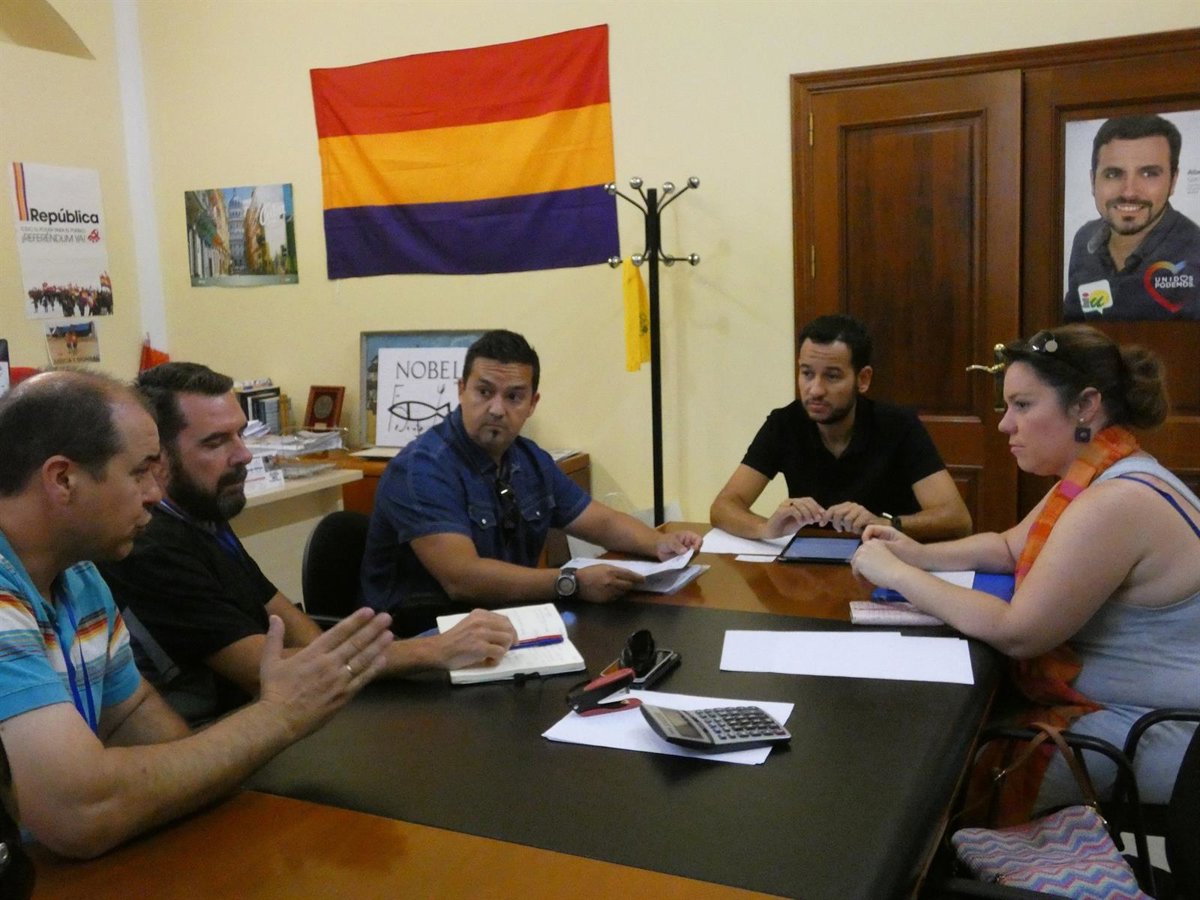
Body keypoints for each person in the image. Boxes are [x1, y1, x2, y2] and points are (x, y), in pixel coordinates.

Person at [0, 371, 394, 858]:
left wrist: (206, 770)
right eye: (139, 472)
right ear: (63, 479)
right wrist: (279, 716)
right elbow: (80, 812)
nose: (155, 493)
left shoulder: (79, 575)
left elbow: (132, 719)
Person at [850, 324, 1200, 817]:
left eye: (1022, 405)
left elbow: (1019, 633)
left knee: (934, 776)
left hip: (1157, 731)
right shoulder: (1103, 470)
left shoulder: (1116, 501)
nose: (1004, 424)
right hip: (1136, 713)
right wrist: (915, 553)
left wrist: (897, 575)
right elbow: (1009, 547)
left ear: (1085, 406)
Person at [99, 362, 517, 725]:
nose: (244, 455)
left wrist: (356, 655)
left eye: (240, 434)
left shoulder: (203, 513)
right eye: (215, 442)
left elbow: (287, 620)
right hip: (219, 729)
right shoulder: (150, 545)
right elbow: (261, 669)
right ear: (158, 457)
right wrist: (432, 651)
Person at [360, 329, 702, 635]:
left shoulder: (529, 460)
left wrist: (659, 543)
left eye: (513, 397)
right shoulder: (422, 469)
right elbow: (462, 579)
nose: (496, 409)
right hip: (420, 639)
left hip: (502, 622)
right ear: (461, 390)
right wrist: (571, 582)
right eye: (484, 391)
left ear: (532, 404)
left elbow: (601, 521)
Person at [710, 314, 971, 542]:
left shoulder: (899, 425)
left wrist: (884, 524)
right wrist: (765, 528)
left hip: (887, 557)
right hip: (810, 566)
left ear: (863, 379)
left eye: (832, 376)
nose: (815, 390)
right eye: (807, 373)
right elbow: (724, 506)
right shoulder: (784, 424)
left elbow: (957, 520)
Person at [1064, 114, 1200, 321]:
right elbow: (1072, 325)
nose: (1129, 192)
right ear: (1093, 181)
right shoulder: (1084, 239)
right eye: (1113, 174)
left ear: (1173, 181)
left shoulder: (1196, 252)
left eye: (1149, 174)